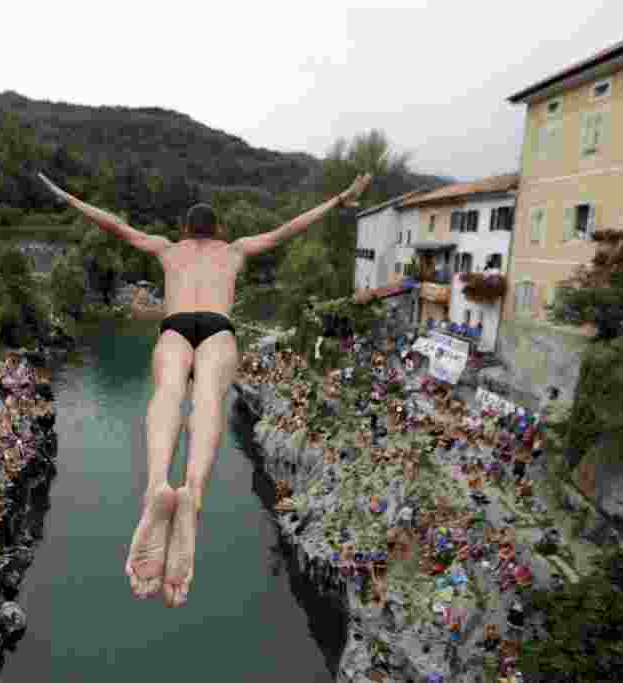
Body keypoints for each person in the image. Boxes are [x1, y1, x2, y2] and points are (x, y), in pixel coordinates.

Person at [38, 170, 373, 607]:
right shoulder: (234, 251)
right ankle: (192, 492)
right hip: (218, 327)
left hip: (176, 326)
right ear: (219, 230)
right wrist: (339, 199)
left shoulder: (166, 249)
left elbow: (113, 225)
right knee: (209, 397)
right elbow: (290, 228)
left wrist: (68, 197)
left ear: (183, 231)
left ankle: (157, 484)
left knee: (168, 394)